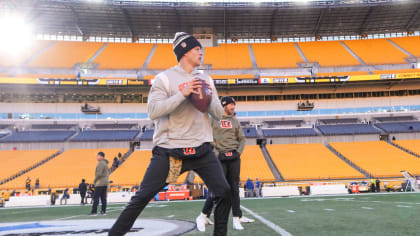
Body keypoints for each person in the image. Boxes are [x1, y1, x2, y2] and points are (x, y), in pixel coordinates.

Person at [109, 32, 231, 236]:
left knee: (225, 192)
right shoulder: (164, 79)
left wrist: (208, 95)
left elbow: (219, 115)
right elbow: (153, 111)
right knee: (142, 196)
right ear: (183, 52)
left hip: (202, 149)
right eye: (196, 48)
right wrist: (182, 94)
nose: (201, 52)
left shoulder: (206, 79)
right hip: (171, 151)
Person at [197, 96, 254, 232]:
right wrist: (216, 152)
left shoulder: (235, 121)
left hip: (234, 157)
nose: (233, 107)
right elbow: (209, 137)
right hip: (219, 158)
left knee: (234, 188)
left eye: (234, 104)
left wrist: (238, 152)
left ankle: (236, 218)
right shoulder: (214, 120)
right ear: (224, 105)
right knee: (219, 189)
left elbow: (242, 139)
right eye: (230, 105)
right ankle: (203, 215)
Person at [90, 151, 109, 216]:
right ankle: (103, 211)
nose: (96, 157)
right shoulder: (105, 163)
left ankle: (94, 212)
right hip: (105, 182)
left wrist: (94, 181)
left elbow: (98, 174)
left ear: (101, 156)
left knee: (96, 197)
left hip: (100, 182)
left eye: (97, 156)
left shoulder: (101, 163)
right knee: (103, 198)